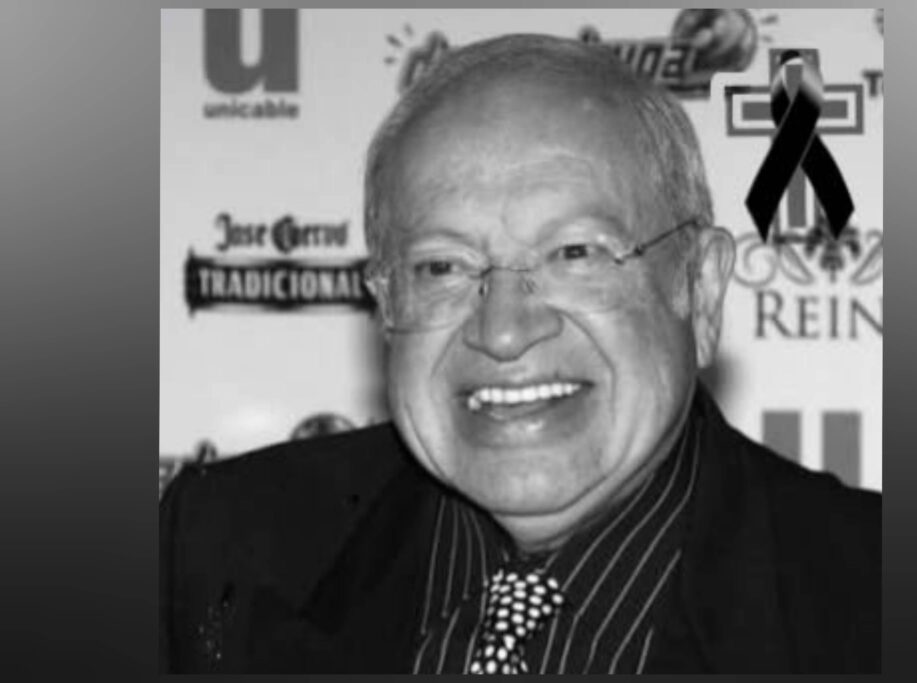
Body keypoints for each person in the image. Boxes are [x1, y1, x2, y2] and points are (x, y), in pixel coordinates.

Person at [160, 34, 880, 674]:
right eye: (442, 267)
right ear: (385, 302)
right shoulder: (217, 553)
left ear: (700, 286)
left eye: (575, 254)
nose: (503, 330)